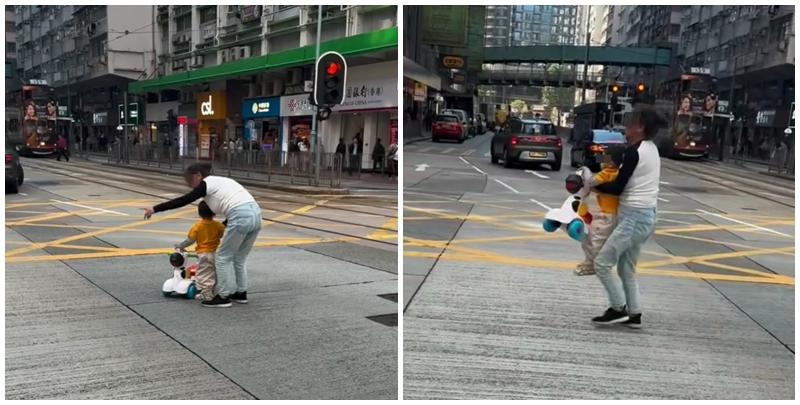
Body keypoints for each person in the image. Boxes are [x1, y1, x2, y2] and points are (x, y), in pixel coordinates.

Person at [143, 163, 262, 308]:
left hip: (241, 216)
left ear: (198, 176)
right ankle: (241, 293)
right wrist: (222, 226)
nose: (191, 186)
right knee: (239, 258)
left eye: (190, 181)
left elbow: (184, 200)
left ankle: (223, 297)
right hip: (256, 214)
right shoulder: (224, 181)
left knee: (223, 258)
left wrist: (155, 209)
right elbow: (239, 204)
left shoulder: (207, 184)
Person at [590, 106, 666, 328]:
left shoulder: (634, 152)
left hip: (633, 217)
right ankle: (634, 313)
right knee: (626, 269)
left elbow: (617, 187)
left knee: (602, 263)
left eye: (630, 123)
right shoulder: (651, 148)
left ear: (640, 126)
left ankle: (617, 308)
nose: (626, 128)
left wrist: (592, 185)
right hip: (646, 216)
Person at [574, 147, 624, 276]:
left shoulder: (607, 172)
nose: (601, 160)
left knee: (593, 240)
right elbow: (600, 189)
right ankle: (594, 263)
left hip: (606, 215)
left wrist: (585, 170)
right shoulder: (618, 174)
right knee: (599, 240)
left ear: (611, 162)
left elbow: (591, 182)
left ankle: (592, 265)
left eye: (604, 157)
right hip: (614, 214)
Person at [174, 201, 226, 302]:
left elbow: (190, 240)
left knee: (203, 274)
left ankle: (206, 294)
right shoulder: (218, 225)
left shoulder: (197, 226)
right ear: (214, 213)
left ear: (199, 213)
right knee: (213, 272)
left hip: (203, 254)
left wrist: (180, 246)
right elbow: (220, 235)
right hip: (215, 252)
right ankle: (212, 291)